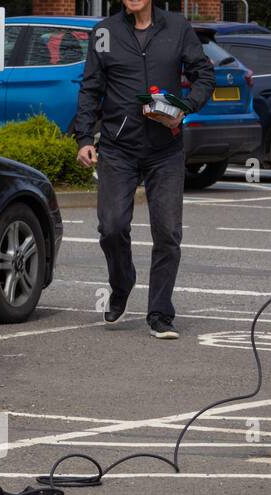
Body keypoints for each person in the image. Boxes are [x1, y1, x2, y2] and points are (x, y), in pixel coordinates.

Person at [72, 0, 214, 339]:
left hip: (164, 149)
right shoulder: (104, 32)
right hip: (118, 147)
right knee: (112, 227)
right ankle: (121, 284)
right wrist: (83, 138)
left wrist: (186, 106)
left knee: (167, 233)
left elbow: (203, 75)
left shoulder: (177, 27)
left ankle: (160, 313)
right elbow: (91, 87)